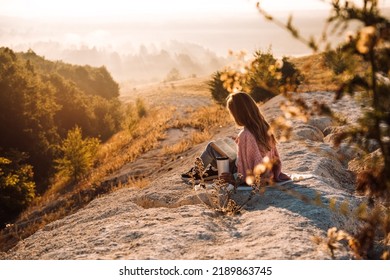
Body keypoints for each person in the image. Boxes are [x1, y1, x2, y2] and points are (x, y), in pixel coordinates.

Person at [181, 92, 290, 184]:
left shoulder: (246, 135)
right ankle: (214, 170)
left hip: (239, 170)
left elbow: (246, 169)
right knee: (226, 142)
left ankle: (196, 172)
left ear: (238, 114)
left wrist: (234, 177)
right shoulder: (264, 127)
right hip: (262, 168)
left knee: (211, 147)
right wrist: (237, 141)